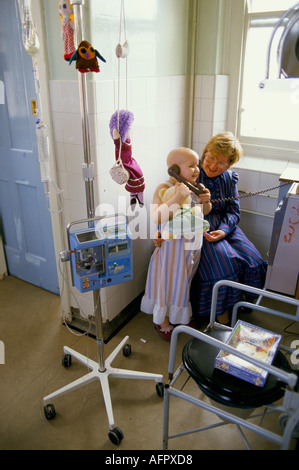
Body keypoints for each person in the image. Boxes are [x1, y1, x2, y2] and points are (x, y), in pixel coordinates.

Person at [190, 132, 267, 325]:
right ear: (205, 152)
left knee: (254, 259)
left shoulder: (229, 178)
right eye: (211, 158)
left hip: (225, 225)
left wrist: (224, 231)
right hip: (200, 226)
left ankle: (238, 305)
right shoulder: (192, 173)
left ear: (229, 165)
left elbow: (234, 211)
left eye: (221, 163)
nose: (214, 166)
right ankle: (219, 318)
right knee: (224, 266)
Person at [141, 147, 211, 341]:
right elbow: (157, 216)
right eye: (191, 166)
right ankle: (161, 319)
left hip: (191, 247)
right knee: (167, 282)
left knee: (184, 281)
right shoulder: (164, 188)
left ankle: (180, 314)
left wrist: (206, 200)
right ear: (174, 169)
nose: (197, 170)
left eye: (197, 165)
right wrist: (179, 196)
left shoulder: (195, 187)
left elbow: (204, 212)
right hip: (172, 249)